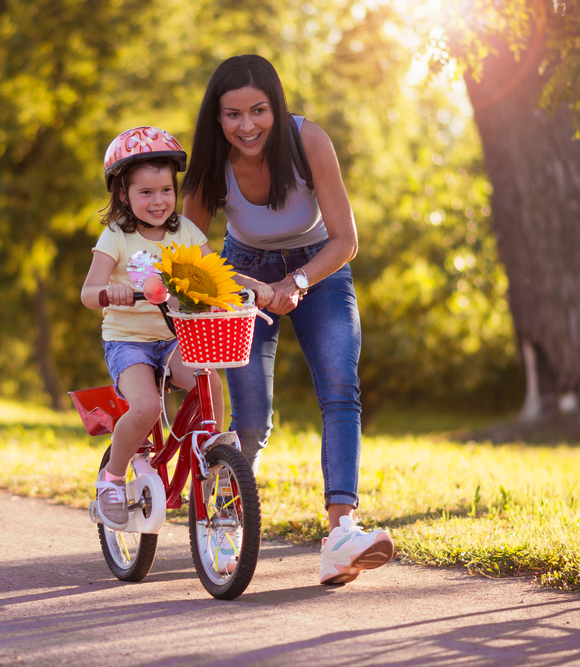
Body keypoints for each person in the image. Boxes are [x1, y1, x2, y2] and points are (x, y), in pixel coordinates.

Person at [181, 55, 393, 585]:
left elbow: (346, 240)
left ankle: (341, 534)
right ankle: (225, 526)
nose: (247, 126)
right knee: (251, 422)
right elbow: (187, 245)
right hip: (243, 272)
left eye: (258, 110)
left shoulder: (309, 141)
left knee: (341, 388)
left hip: (319, 268)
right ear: (217, 118)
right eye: (232, 115)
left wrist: (295, 283)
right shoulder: (213, 164)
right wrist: (235, 287)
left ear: (276, 106)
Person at [81, 126, 272, 531]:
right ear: (123, 195)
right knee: (147, 407)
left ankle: (214, 450)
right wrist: (108, 292)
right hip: (128, 342)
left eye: (166, 190)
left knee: (208, 379)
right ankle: (111, 480)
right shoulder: (116, 237)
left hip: (173, 337)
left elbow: (213, 272)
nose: (158, 201)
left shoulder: (185, 231)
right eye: (145, 192)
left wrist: (251, 287)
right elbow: (87, 292)